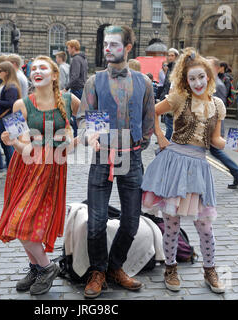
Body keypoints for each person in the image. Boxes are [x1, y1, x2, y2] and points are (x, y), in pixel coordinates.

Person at [141, 48, 238, 294]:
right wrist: (160, 136)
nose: (197, 82)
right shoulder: (178, 98)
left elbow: (216, 139)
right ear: (185, 80)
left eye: (201, 77)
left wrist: (234, 143)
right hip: (174, 164)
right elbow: (153, 112)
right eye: (192, 78)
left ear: (209, 76)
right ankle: (171, 267)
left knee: (205, 226)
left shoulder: (217, 105)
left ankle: (210, 270)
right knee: (172, 223)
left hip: (199, 166)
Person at [76, 25, 155, 299]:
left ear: (128, 48)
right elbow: (84, 118)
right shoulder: (93, 82)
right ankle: (97, 271)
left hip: (131, 157)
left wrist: (138, 145)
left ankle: (115, 266)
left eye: (113, 44)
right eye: (105, 44)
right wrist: (91, 135)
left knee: (131, 221)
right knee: (96, 221)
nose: (107, 48)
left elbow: (148, 120)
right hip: (102, 156)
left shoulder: (144, 83)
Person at [0, 55, 80, 295]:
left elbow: (89, 116)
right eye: (33, 68)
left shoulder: (69, 99)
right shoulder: (21, 104)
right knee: (19, 222)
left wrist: (86, 138)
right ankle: (41, 267)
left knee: (27, 222)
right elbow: (23, 147)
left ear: (54, 75)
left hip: (52, 169)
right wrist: (13, 141)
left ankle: (41, 267)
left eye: (43, 68)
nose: (36, 71)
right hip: (25, 168)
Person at [207, 56, 238, 189]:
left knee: (216, 150)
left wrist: (234, 143)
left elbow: (218, 109)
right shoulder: (212, 83)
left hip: (214, 125)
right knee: (215, 151)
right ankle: (237, 172)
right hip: (212, 125)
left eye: (209, 66)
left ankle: (237, 172)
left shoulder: (217, 85)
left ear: (217, 69)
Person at [0, 61, 21, 180]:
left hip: (7, 119)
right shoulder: (9, 84)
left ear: (6, 72)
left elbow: (11, 104)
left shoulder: (11, 86)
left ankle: (0, 168)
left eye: (0, 71)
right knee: (6, 144)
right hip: (9, 118)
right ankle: (10, 168)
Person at [65, 39, 88, 137]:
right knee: (80, 112)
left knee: (75, 113)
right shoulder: (83, 58)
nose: (67, 50)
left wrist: (66, 88)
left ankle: (75, 136)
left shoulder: (76, 59)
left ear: (73, 48)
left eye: (68, 48)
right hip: (81, 88)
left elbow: (75, 76)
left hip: (76, 89)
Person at [159, 48, 179, 140]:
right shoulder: (169, 67)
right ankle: (167, 137)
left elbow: (173, 83)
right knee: (167, 120)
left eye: (172, 55)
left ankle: (167, 139)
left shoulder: (176, 68)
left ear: (176, 57)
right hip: (167, 95)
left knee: (169, 120)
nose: (170, 57)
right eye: (169, 55)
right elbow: (166, 83)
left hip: (172, 96)